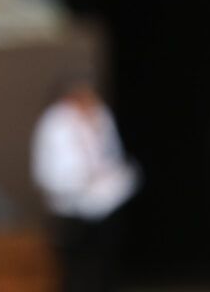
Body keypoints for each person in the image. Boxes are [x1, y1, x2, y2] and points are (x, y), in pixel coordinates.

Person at [32, 77, 139, 292]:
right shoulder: (56, 123)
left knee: (102, 267)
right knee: (75, 271)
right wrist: (80, 179)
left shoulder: (100, 116)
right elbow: (49, 172)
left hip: (105, 206)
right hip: (70, 210)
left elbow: (111, 156)